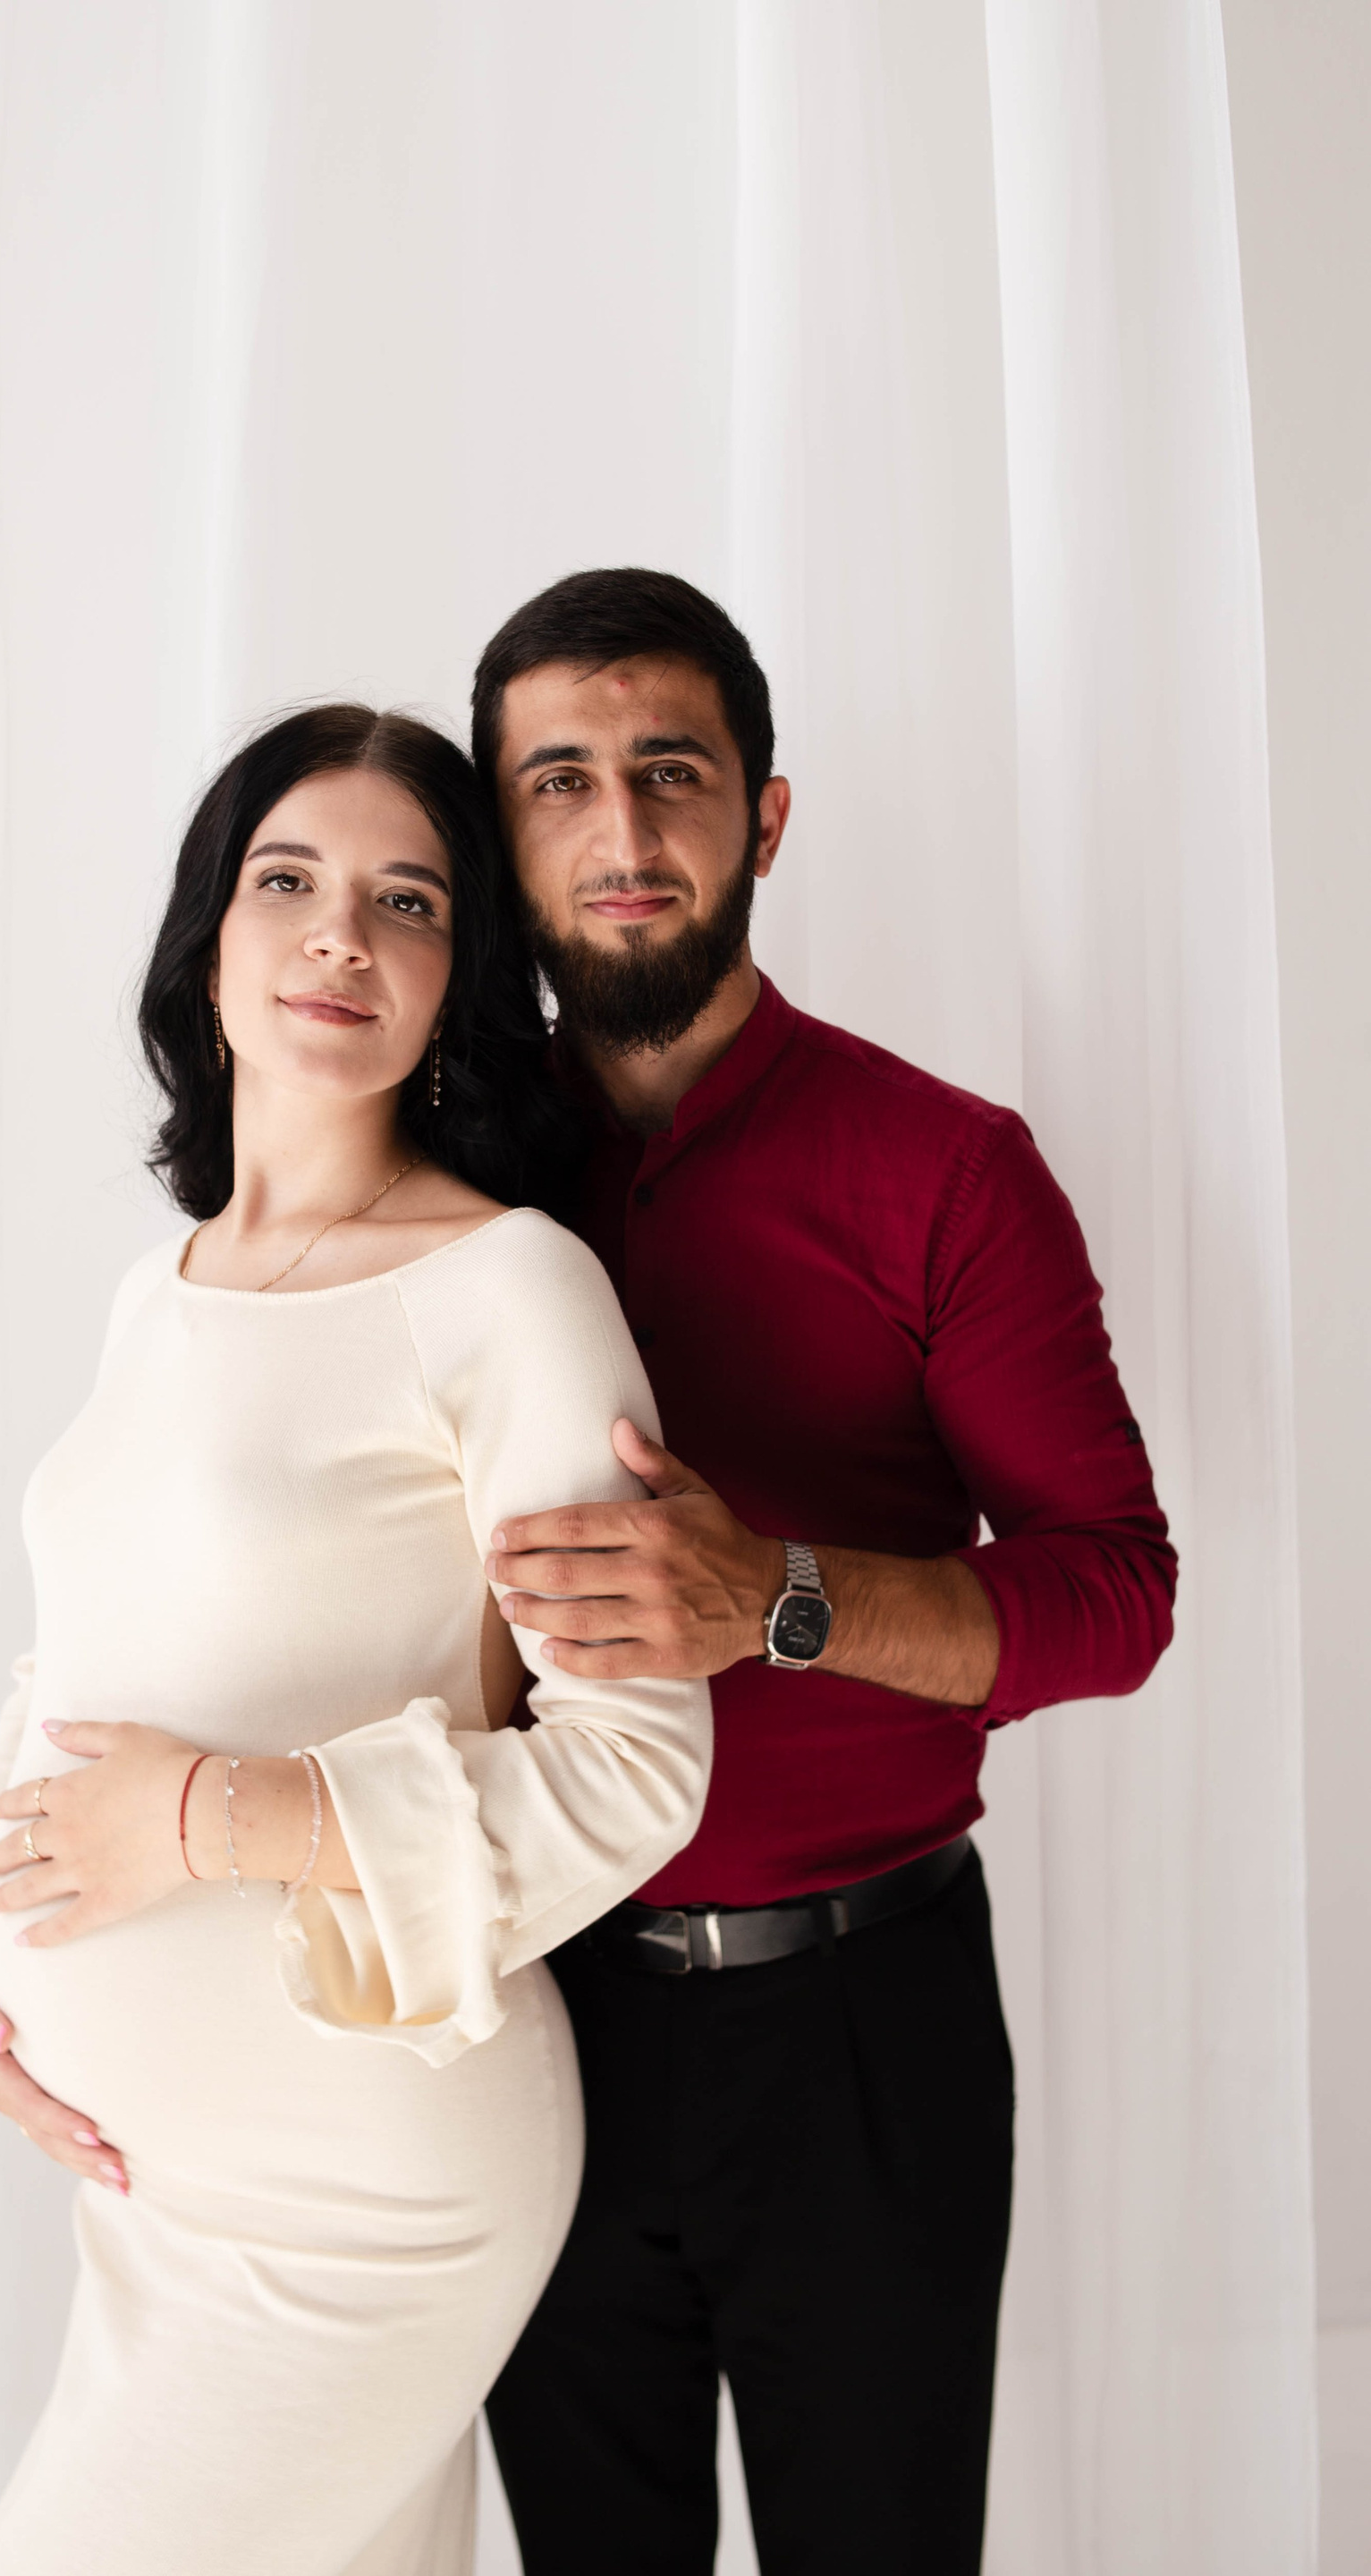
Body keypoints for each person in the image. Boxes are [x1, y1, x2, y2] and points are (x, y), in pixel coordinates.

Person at [0, 703, 711, 2576]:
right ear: (209, 941)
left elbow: (636, 1767)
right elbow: (79, 1662)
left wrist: (207, 1819)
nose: (341, 935)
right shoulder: (162, 1287)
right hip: (153, 2195)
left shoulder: (511, 1289)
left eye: (408, 900)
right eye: (288, 882)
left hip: (366, 2188)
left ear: (461, 977)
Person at [471, 569, 1178, 2576]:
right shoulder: (445, 1184)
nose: (622, 833)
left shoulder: (948, 1169)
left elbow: (1115, 1593)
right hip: (529, 2018)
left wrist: (778, 1596)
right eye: (559, 783)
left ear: (765, 818)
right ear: (498, 838)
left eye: (673, 773)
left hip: (866, 2032)